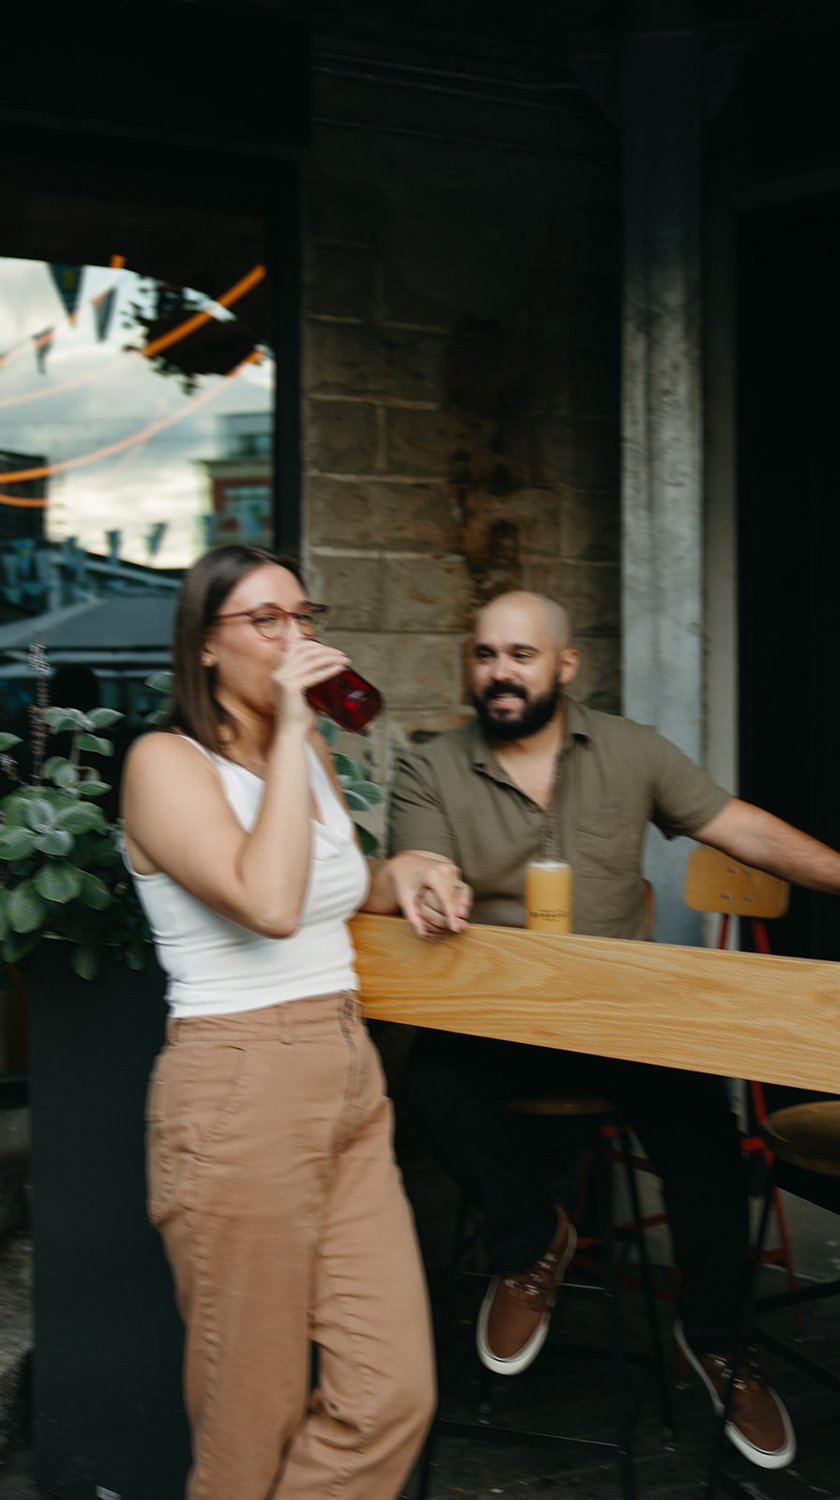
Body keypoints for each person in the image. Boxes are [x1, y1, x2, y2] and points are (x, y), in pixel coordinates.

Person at [388, 590, 840, 1474]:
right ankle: (529, 1243)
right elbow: (416, 857)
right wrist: (425, 876)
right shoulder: (431, 767)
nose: (500, 673)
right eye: (484, 655)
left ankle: (719, 1342)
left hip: (624, 1013)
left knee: (707, 1143)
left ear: (564, 665)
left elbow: (748, 832)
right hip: (496, 1010)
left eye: (521, 654)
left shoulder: (630, 751)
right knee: (429, 1089)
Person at [121, 544, 463, 1500]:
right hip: (239, 1087)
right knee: (249, 1420)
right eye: (264, 621)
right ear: (203, 648)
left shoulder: (301, 750)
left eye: (303, 617)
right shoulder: (162, 764)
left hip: (347, 1074)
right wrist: (288, 740)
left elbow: (327, 897)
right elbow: (265, 902)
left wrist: (410, 873)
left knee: (390, 1393)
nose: (296, 638)